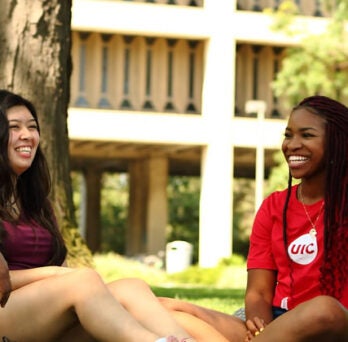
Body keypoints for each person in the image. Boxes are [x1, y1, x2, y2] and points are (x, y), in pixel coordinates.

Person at [0, 89, 196, 342]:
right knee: (82, 281)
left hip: (41, 315)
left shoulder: (38, 205)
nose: (27, 135)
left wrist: (60, 275)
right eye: (14, 127)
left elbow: (61, 273)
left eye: (32, 127)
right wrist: (54, 275)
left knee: (131, 287)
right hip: (6, 312)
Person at [159, 95, 348, 341]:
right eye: (288, 135)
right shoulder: (274, 206)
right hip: (276, 322)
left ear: (337, 143)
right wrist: (261, 328)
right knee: (168, 309)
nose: (292, 145)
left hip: (332, 324)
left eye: (307, 135)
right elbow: (258, 292)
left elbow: (329, 313)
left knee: (324, 308)